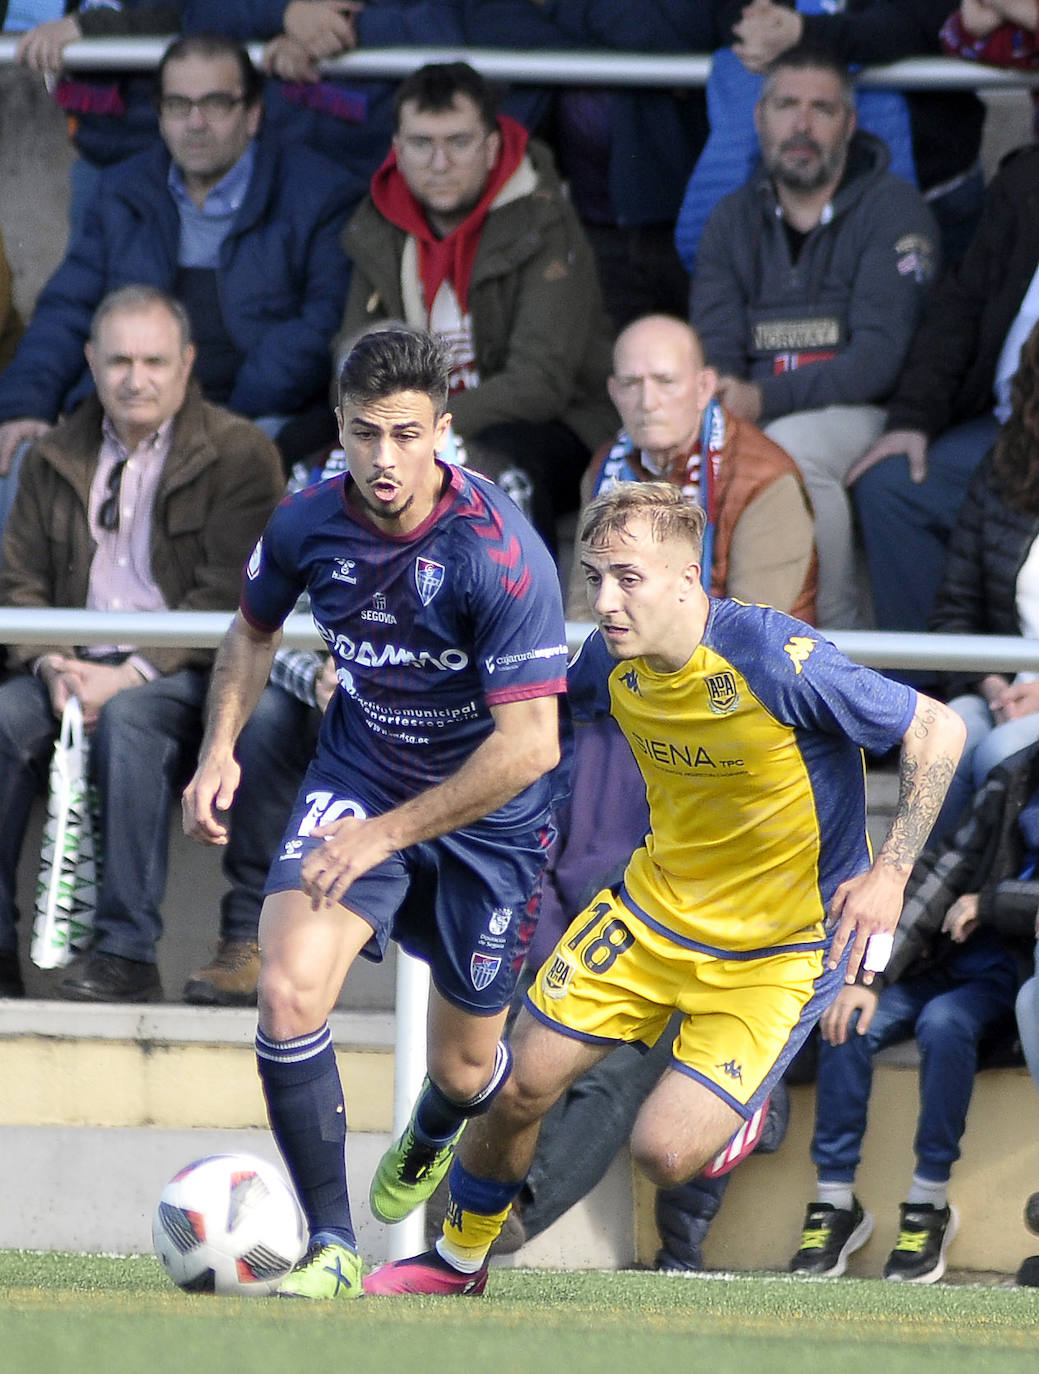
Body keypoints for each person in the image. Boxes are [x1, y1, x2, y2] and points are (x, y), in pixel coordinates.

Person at [362, 479, 966, 1298]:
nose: (605, 601)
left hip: (776, 953)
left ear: (688, 581)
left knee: (663, 1154)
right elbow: (515, 715)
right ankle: (456, 1264)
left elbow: (939, 728)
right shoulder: (606, 665)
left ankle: (743, 1107)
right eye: (595, 578)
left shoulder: (770, 658)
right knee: (515, 1086)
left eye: (627, 578)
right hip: (648, 917)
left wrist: (890, 871)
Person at [181, 325, 569, 1300]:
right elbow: (250, 631)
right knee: (286, 990)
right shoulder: (308, 520)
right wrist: (219, 747)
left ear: (443, 431)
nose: (384, 459)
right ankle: (331, 1242)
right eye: (365, 434)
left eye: (406, 435)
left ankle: (435, 1130)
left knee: (469, 1069)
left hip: (493, 817)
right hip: (360, 775)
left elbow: (532, 745)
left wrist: (387, 834)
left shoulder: (500, 555)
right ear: (341, 432)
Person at [0, 284, 284, 1002]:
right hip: (66, 665)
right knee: (4, 720)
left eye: (154, 360)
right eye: (119, 359)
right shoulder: (50, 455)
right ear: (91, 362)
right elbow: (16, 581)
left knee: (133, 720)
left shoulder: (240, 453)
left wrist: (127, 674)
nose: (136, 377)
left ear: (186, 364)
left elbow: (231, 594)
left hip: (185, 671)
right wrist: (49, 661)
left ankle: (126, 953)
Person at [0, 31, 356, 514]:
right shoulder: (124, 191)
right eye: (177, 105)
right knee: (19, 464)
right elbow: (69, 308)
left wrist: (217, 421)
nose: (195, 123)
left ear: (252, 115)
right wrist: (26, 405)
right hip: (126, 411)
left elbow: (322, 325)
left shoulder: (317, 194)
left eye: (215, 104)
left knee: (240, 482)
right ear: (160, 116)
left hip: (256, 413)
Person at [689, 45, 939, 627]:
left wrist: (764, 399)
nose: (802, 125)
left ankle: (834, 645)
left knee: (794, 451)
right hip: (753, 410)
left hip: (868, 412)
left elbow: (879, 358)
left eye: (822, 109)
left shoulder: (895, 210)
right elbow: (717, 347)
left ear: (849, 125)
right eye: (786, 106)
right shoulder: (729, 219)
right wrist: (731, 393)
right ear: (759, 118)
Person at [336, 60, 617, 552]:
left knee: (513, 458)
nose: (438, 163)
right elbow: (356, 356)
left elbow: (541, 383)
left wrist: (425, 428)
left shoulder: (543, 217)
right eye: (422, 144)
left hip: (557, 422)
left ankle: (529, 619)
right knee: (303, 445)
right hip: (418, 422)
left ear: (491, 148)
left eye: (458, 142)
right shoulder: (378, 223)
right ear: (397, 151)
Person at [790, 740, 1036, 1283]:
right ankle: (834, 1202)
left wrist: (995, 902)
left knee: (944, 1024)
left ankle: (928, 1202)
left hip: (1008, 978)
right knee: (848, 1017)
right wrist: (869, 976)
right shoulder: (1018, 771)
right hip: (942, 961)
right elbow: (944, 870)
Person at [849, 142, 1039, 640]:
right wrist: (913, 419)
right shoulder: (1025, 182)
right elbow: (961, 305)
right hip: (1004, 429)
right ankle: (923, 697)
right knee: (892, 487)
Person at [709, 0, 986, 267]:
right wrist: (756, 25)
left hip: (929, 180)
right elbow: (727, 15)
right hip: (792, 187)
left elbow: (924, 23)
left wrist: (803, 33)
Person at [924, 319, 1039, 840]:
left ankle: (984, 908)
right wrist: (994, 687)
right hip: (1001, 688)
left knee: (997, 752)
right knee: (945, 740)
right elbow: (955, 612)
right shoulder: (1002, 468)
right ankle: (906, 902)